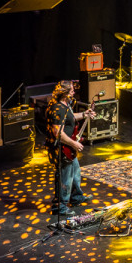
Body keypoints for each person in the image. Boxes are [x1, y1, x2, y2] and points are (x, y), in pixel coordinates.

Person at [45, 80, 95, 216]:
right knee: (65, 178)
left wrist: (85, 114)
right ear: (65, 93)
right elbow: (58, 133)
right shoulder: (57, 108)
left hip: (68, 147)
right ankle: (60, 206)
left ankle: (76, 198)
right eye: (71, 90)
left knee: (75, 173)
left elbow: (71, 118)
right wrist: (74, 144)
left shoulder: (65, 104)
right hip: (62, 148)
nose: (74, 92)